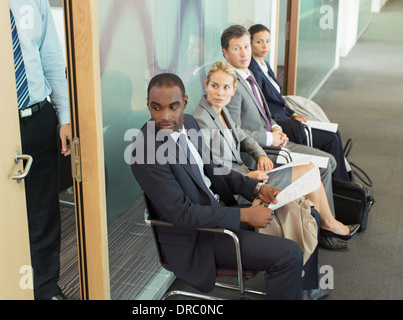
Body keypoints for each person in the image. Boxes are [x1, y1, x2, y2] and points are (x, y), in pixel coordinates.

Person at [131, 73, 309, 300]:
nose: (165, 116)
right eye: (156, 108)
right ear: (148, 105)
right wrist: (244, 215)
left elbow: (214, 168)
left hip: (219, 211)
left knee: (304, 212)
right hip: (200, 236)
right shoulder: (145, 152)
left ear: (185, 103)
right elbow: (182, 215)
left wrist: (254, 189)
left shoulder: (190, 123)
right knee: (288, 254)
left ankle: (304, 289)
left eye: (173, 107)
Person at [192, 61, 358, 254]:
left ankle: (325, 227)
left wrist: (261, 155)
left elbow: (244, 137)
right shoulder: (202, 121)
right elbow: (214, 168)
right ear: (206, 85)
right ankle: (327, 228)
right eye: (215, 86)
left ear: (233, 89)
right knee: (310, 172)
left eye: (226, 87)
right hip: (241, 188)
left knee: (312, 172)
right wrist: (249, 177)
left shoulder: (222, 111)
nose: (220, 92)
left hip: (250, 176)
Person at [220, 25, 356, 250]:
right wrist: (268, 137)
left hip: (273, 141)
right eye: (237, 48)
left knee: (328, 160)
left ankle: (323, 221)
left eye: (245, 46)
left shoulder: (249, 73)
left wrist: (276, 128)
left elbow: (266, 112)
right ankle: (323, 229)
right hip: (260, 154)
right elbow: (236, 132)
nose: (244, 53)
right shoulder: (230, 84)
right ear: (226, 53)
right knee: (322, 167)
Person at [9, 0, 71, 300]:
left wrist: (64, 117)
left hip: (37, 116)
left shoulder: (35, 2)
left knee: (43, 210)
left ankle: (46, 288)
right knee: (0, 212)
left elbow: (52, 60)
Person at [248, 24, 350, 181]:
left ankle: (346, 186)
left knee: (335, 133)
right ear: (250, 43)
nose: (265, 46)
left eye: (268, 41)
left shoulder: (264, 65)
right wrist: (286, 119)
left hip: (286, 116)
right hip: (280, 123)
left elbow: (279, 99)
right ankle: (345, 186)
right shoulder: (252, 69)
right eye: (259, 42)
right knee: (331, 140)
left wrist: (293, 113)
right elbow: (263, 107)